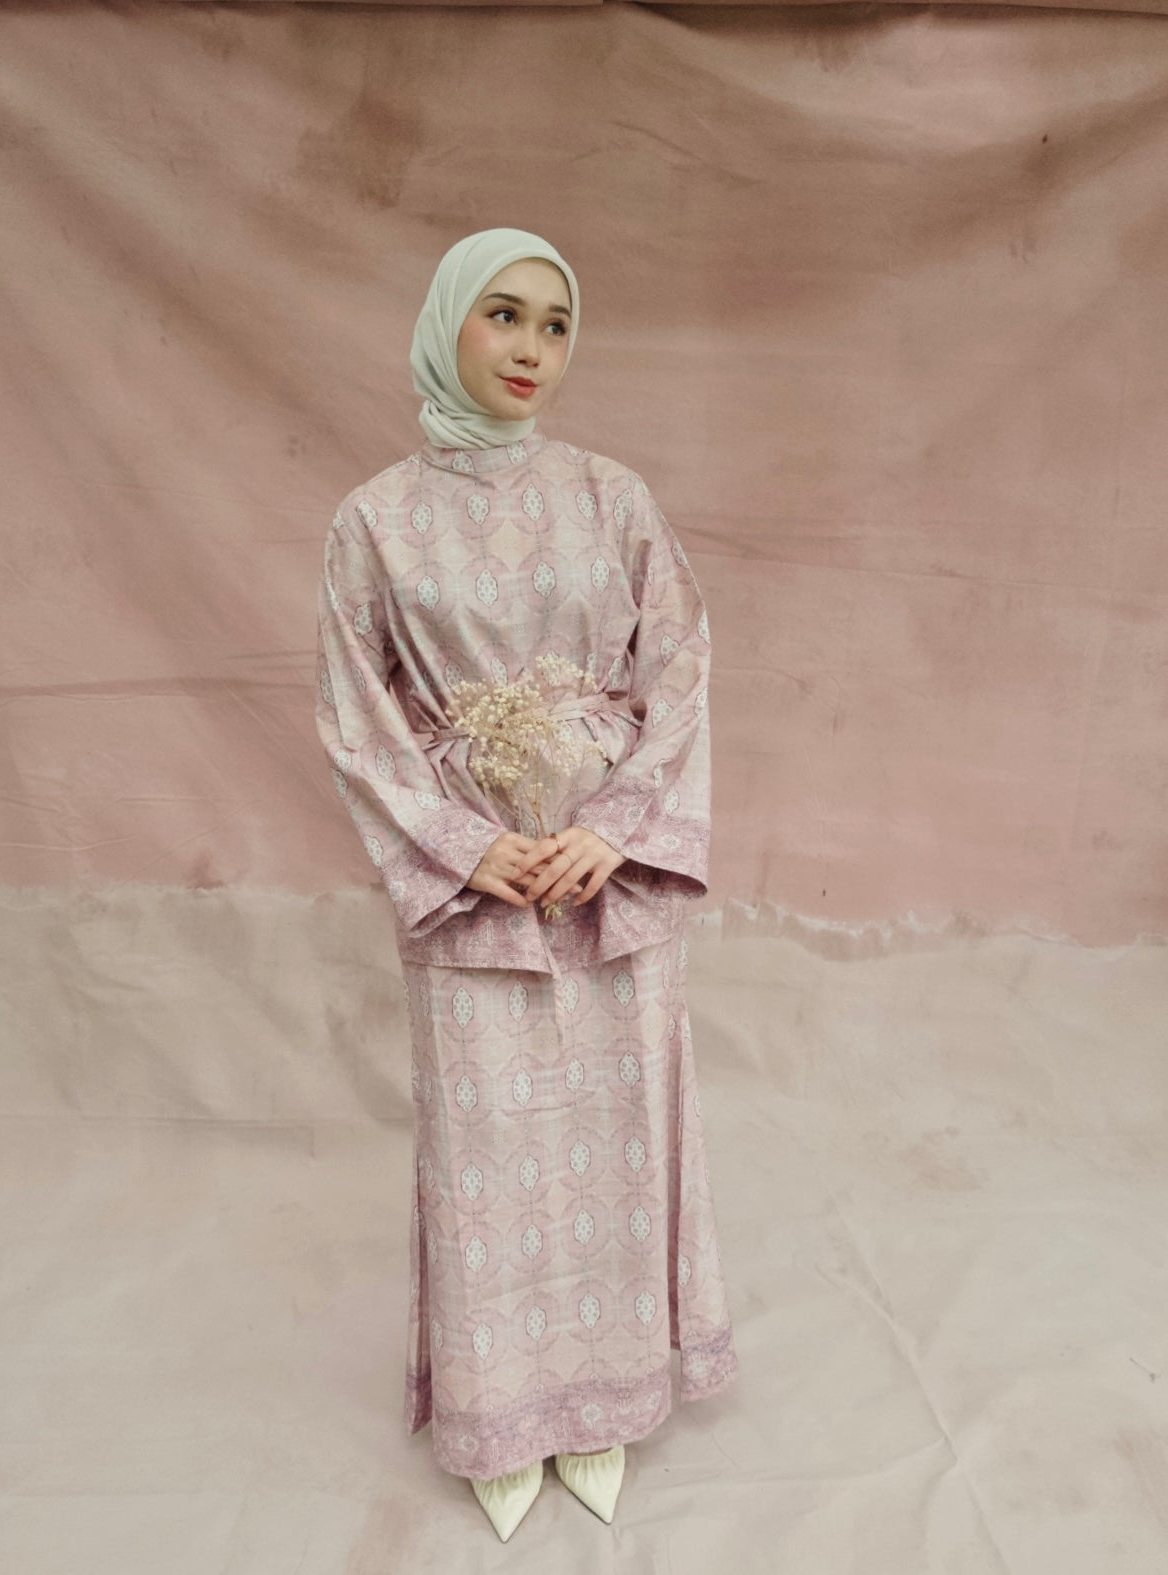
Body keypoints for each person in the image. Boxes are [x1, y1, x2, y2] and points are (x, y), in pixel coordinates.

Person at [315, 227, 738, 1540]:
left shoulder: (612, 496)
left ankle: (607, 1398)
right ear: (448, 319)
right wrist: (462, 846)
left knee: (620, 1125)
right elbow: (355, 719)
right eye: (503, 315)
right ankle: (502, 1410)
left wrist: (617, 827)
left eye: (556, 325)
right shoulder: (374, 520)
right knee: (489, 1146)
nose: (532, 350)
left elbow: (682, 667)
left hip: (610, 880)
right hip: (478, 888)